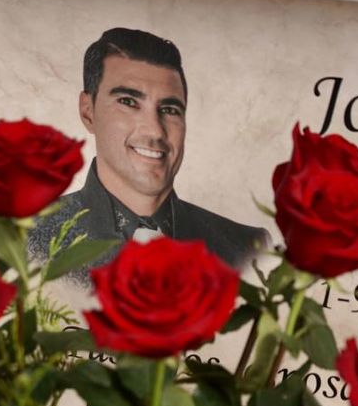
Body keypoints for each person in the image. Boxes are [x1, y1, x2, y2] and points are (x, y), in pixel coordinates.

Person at [29, 27, 269, 280]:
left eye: (169, 109)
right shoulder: (24, 244)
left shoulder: (249, 249)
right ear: (88, 111)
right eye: (129, 102)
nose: (155, 130)